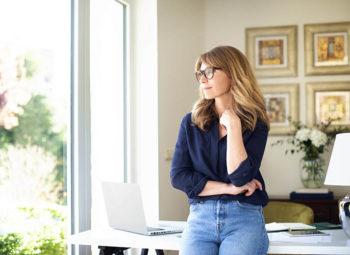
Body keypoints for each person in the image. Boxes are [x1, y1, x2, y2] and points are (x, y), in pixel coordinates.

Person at [170, 46, 270, 255]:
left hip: (243, 218)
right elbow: (179, 177)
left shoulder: (256, 123)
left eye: (209, 72)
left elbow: (241, 177)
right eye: (200, 73)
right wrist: (228, 188)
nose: (203, 79)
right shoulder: (190, 122)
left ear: (233, 73)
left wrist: (233, 127)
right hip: (200, 218)